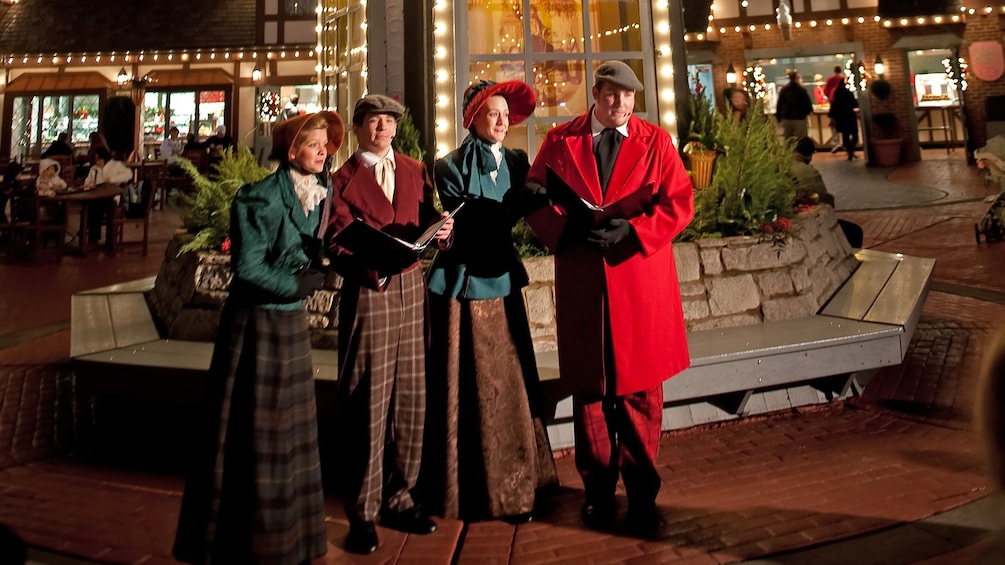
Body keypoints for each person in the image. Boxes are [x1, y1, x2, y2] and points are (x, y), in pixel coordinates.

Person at [520, 61, 694, 538]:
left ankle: (642, 495)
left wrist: (634, 231)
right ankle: (597, 492)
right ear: (594, 93)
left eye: (628, 96)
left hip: (638, 279)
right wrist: (566, 230)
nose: (620, 103)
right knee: (592, 396)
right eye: (612, 94)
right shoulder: (560, 141)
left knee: (641, 395)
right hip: (584, 282)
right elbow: (535, 198)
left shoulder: (656, 141)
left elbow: (679, 203)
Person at [173, 111, 343, 564]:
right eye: (314, 144)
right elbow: (246, 268)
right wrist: (295, 286)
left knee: (291, 432)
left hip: (289, 325)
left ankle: (295, 536)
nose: (323, 151)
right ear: (291, 151)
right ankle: (246, 539)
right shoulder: (259, 198)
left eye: (326, 144)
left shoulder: (317, 197)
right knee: (254, 432)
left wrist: (320, 267)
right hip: (256, 325)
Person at [421, 80, 558, 523]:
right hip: (465, 287)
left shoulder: (519, 162)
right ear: (474, 118)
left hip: (503, 281)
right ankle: (475, 489)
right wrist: (511, 205)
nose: (502, 121)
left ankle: (520, 483)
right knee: (472, 383)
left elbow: (533, 206)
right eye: (492, 114)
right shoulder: (450, 165)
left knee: (513, 378)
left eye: (506, 114)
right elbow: (472, 222)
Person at [324, 94, 454, 555]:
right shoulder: (341, 180)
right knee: (369, 399)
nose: (383, 129)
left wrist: (442, 232)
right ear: (359, 128)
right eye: (374, 122)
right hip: (371, 291)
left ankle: (402, 497)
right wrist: (371, 265)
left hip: (411, 289)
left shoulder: (416, 170)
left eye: (389, 122)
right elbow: (336, 242)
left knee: (411, 397)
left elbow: (427, 220)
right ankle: (363, 511)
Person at [791, 137, 864, 248]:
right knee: (854, 232)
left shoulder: (780, 166)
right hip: (805, 222)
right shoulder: (808, 171)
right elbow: (827, 201)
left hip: (788, 222)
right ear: (810, 155)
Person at [83, 147, 132, 243]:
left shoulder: (116, 165)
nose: (97, 162)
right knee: (91, 205)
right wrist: (89, 184)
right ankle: (93, 237)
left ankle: (109, 239)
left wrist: (113, 179)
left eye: (99, 159)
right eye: (96, 160)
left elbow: (129, 174)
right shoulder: (94, 169)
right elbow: (88, 181)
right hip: (96, 196)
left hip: (112, 196)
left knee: (98, 206)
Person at [775, 71, 813, 140]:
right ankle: (800, 150)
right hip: (800, 117)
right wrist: (808, 112)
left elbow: (779, 104)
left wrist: (779, 117)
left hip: (787, 117)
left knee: (788, 139)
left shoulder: (784, 90)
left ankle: (789, 151)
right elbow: (807, 103)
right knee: (801, 139)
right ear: (796, 78)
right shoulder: (802, 90)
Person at [827, 80, 859, 161]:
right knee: (855, 135)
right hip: (850, 116)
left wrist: (832, 117)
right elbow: (855, 104)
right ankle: (851, 150)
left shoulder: (836, 94)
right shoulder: (848, 93)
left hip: (841, 118)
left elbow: (833, 107)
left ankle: (849, 152)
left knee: (845, 136)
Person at [823, 66, 847, 153]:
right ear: (840, 71)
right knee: (844, 126)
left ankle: (836, 142)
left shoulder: (830, 79)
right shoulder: (843, 78)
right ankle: (845, 143)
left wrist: (830, 99)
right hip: (844, 107)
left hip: (833, 106)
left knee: (833, 125)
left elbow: (825, 92)